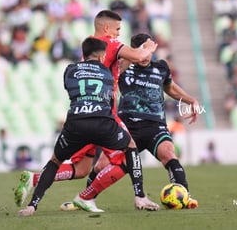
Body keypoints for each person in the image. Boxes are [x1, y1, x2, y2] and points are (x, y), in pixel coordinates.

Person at [15, 10, 159, 212]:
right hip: (106, 114)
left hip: (82, 113)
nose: (119, 34)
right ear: (106, 29)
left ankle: (36, 179)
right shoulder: (111, 43)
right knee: (128, 153)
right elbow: (138, 56)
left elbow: (117, 68)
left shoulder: (92, 46)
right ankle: (128, 197)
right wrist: (148, 48)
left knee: (82, 169)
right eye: (117, 29)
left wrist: (135, 57)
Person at [73, 33, 199, 210]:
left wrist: (190, 100)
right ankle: (85, 199)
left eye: (149, 52)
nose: (147, 57)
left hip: (155, 126)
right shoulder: (123, 67)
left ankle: (185, 196)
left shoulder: (161, 67)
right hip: (128, 126)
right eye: (143, 52)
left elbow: (169, 88)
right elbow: (107, 75)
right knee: (102, 165)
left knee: (169, 154)